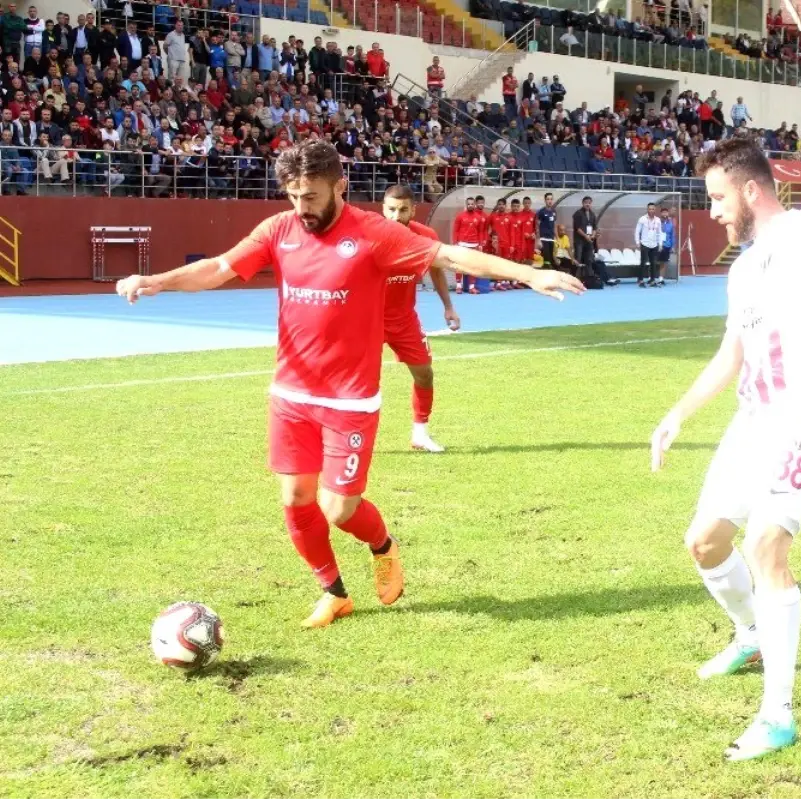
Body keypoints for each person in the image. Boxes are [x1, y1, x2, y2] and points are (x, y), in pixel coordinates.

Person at [114, 140, 584, 629]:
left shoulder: (375, 233)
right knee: (295, 500)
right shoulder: (279, 229)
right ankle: (333, 592)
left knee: (339, 509)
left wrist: (529, 274)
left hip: (350, 399)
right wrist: (158, 281)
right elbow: (218, 268)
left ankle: (383, 545)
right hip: (291, 395)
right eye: (294, 196)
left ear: (340, 186)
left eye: (312, 196)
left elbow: (449, 257)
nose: (302, 208)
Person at [649, 138, 801, 761]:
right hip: (755, 419)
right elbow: (732, 354)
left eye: (716, 197)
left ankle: (778, 715)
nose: (711, 211)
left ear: (751, 190)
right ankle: (749, 634)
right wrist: (678, 413)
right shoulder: (742, 267)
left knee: (766, 545)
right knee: (704, 542)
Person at [381, 184, 459, 454]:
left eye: (403, 210)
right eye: (391, 209)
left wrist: (448, 306)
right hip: (368, 320)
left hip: (404, 320)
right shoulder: (369, 237)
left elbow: (437, 270)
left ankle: (420, 433)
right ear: (383, 209)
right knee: (357, 381)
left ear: (413, 210)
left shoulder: (425, 236)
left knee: (424, 374)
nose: (396, 215)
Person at [451, 196, 482, 294]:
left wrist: (480, 244)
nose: (470, 205)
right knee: (460, 265)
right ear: (466, 205)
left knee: (473, 266)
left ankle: (471, 287)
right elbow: (455, 230)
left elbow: (480, 232)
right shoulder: (460, 216)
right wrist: (455, 243)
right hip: (462, 244)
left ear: (474, 205)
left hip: (474, 244)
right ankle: (458, 286)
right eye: (469, 204)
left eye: (472, 204)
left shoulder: (478, 217)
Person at [634, 202, 664, 287]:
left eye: (653, 209)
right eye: (650, 209)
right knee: (643, 262)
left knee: (653, 263)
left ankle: (652, 280)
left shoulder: (657, 220)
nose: (651, 210)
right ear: (647, 209)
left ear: (655, 210)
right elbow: (637, 231)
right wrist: (637, 242)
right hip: (644, 243)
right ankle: (640, 280)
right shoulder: (642, 219)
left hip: (654, 244)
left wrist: (660, 244)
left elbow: (659, 233)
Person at [537, 192, 558, 267]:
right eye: (548, 199)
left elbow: (555, 225)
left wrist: (557, 238)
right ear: (545, 200)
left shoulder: (554, 211)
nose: (550, 201)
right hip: (544, 239)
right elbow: (537, 225)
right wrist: (538, 239)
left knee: (552, 259)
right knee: (546, 260)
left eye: (551, 199)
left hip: (551, 239)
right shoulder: (541, 212)